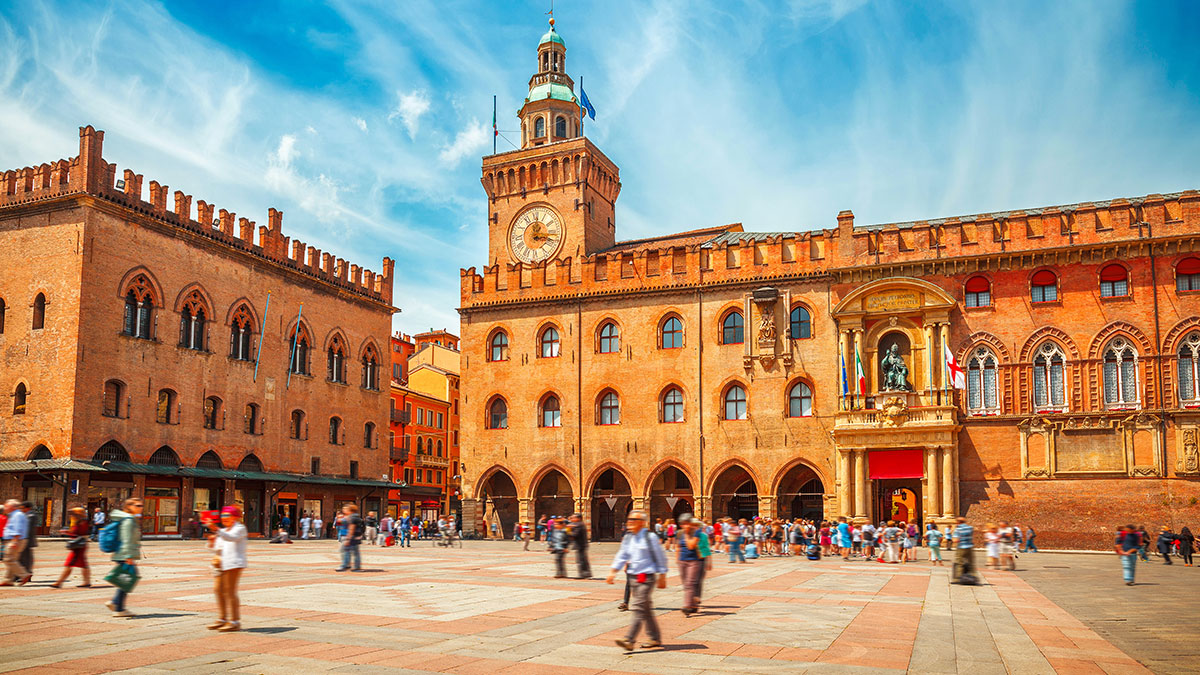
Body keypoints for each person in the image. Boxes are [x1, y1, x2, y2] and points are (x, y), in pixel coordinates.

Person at [607, 510, 668, 652]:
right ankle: (654, 637)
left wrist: (663, 575)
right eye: (629, 519)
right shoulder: (628, 537)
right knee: (645, 609)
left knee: (638, 606)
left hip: (646, 577)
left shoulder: (650, 537)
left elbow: (660, 556)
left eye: (634, 519)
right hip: (633, 577)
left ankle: (629, 639)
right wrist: (613, 571)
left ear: (642, 522)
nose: (630, 521)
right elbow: (622, 555)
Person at [206, 505, 248, 632]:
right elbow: (217, 547)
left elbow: (232, 538)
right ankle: (222, 618)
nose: (224, 518)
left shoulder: (240, 528)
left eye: (227, 516)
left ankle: (234, 621)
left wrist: (216, 530)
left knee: (230, 592)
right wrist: (212, 542)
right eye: (222, 516)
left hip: (234, 564)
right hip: (221, 564)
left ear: (235, 517)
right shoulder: (225, 530)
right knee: (218, 590)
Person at [105, 498, 143, 617]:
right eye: (137, 505)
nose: (140, 507)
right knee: (128, 579)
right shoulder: (128, 520)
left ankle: (116, 604)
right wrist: (128, 556)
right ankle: (118, 607)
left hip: (123, 554)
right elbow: (126, 539)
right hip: (124, 554)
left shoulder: (130, 519)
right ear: (129, 506)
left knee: (127, 579)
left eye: (141, 505)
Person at [51, 507, 92, 588]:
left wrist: (67, 532)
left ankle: (59, 582)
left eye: (74, 513)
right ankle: (87, 581)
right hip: (79, 546)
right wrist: (67, 532)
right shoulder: (80, 521)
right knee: (83, 565)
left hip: (78, 547)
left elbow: (77, 533)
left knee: (69, 564)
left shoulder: (82, 522)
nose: (72, 515)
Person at [676, 515, 703, 615]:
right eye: (683, 524)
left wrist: (687, 534)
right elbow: (678, 546)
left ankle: (687, 606)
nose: (685, 525)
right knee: (685, 584)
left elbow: (691, 546)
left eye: (687, 523)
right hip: (683, 561)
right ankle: (693, 604)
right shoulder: (679, 533)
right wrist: (677, 559)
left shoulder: (697, 532)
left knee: (690, 583)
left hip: (694, 561)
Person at [1, 500, 29, 585]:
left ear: (12, 507)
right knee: (13, 559)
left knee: (8, 559)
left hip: (15, 540)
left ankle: (24, 575)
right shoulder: (15, 515)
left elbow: (18, 528)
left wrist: (14, 541)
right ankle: (8, 580)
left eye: (6, 506)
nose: (5, 508)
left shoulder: (17, 515)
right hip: (16, 540)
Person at [336, 504, 363, 572]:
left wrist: (348, 538)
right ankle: (356, 566)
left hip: (351, 537)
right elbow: (339, 523)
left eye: (345, 509)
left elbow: (351, 528)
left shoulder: (352, 518)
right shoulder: (356, 517)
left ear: (350, 510)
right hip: (356, 536)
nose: (344, 510)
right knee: (355, 552)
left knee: (345, 550)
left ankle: (345, 565)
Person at [951, 516, 976, 584]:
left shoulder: (958, 529)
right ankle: (973, 577)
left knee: (959, 563)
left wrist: (953, 535)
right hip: (970, 547)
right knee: (971, 563)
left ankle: (958, 578)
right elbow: (972, 538)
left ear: (958, 522)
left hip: (961, 547)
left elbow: (955, 540)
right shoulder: (970, 528)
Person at [568, 513, 592, 578]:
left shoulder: (579, 525)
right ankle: (586, 573)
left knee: (581, 560)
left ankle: (583, 574)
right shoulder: (580, 524)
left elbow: (575, 535)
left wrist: (568, 530)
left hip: (580, 545)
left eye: (573, 518)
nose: (572, 519)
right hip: (582, 544)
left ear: (578, 518)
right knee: (583, 560)